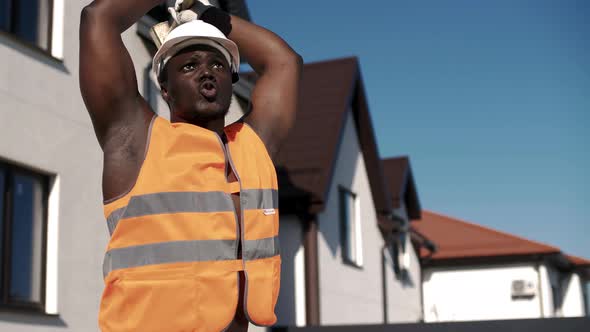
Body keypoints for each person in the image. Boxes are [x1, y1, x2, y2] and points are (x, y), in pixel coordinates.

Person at [79, 0, 302, 331]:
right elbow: (99, 18)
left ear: (231, 80)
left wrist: (202, 12)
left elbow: (285, 62)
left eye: (218, 65)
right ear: (165, 89)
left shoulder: (253, 148)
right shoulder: (135, 141)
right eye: (189, 66)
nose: (207, 72)